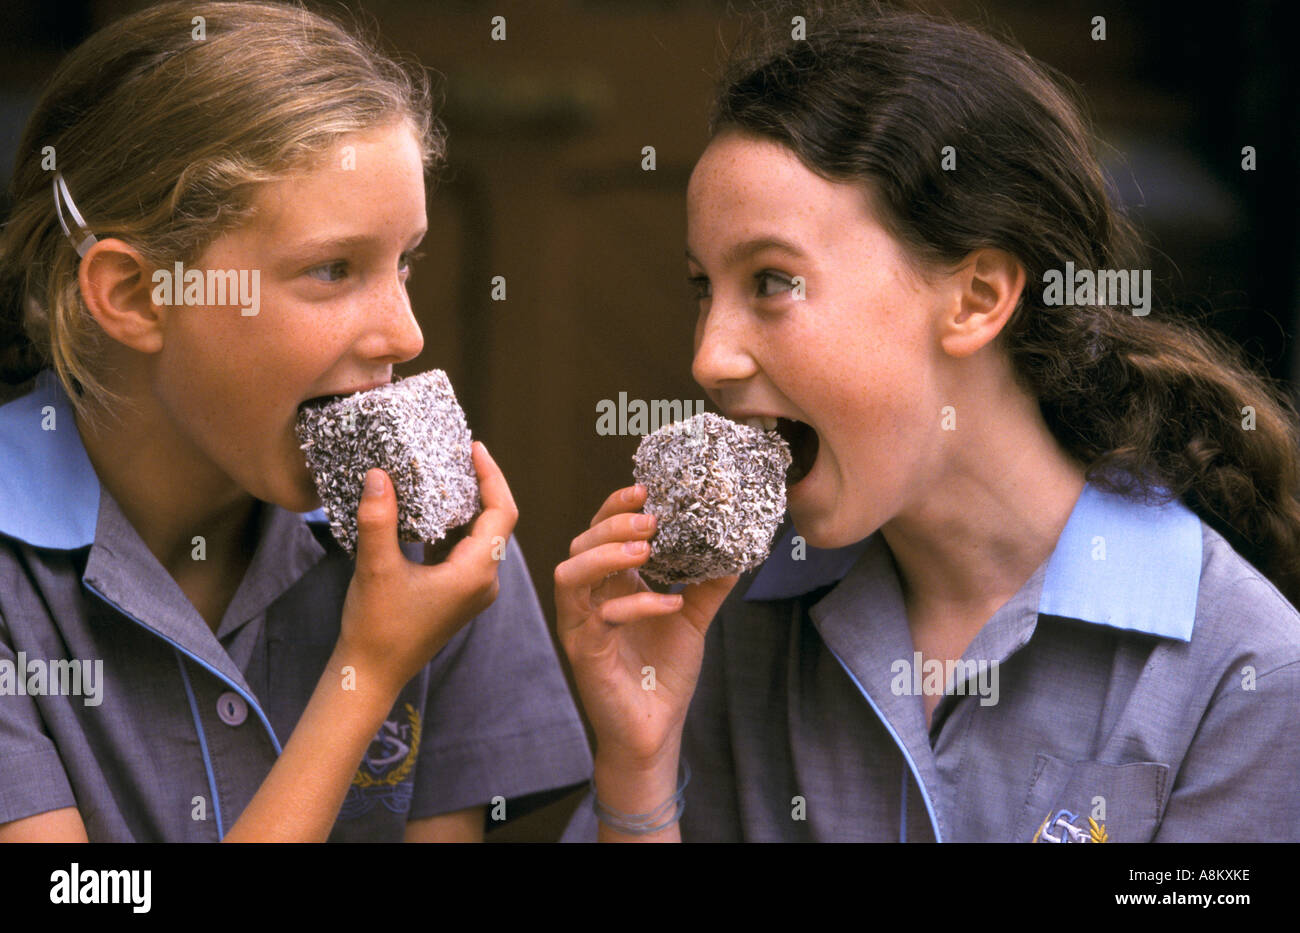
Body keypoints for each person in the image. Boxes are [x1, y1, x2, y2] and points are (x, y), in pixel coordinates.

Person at [555, 4, 1300, 842]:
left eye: (770, 280)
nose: (709, 357)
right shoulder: (726, 619)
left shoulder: (1248, 673)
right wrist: (639, 768)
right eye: (704, 287)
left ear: (978, 297)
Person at [0, 0, 591, 842]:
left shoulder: (436, 545)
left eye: (405, 261)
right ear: (136, 295)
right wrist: (366, 671)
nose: (407, 334)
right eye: (332, 269)